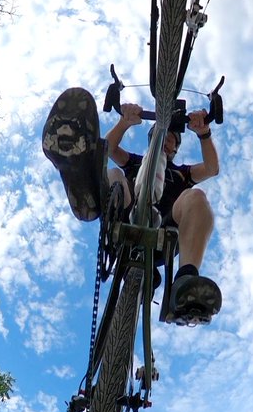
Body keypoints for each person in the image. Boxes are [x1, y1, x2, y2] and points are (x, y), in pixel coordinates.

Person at [42, 87, 222, 325]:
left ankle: (185, 282)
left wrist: (204, 133)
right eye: (162, 134)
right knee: (115, 174)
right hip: (125, 215)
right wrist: (125, 122)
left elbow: (211, 169)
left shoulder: (182, 173)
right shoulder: (135, 162)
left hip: (164, 234)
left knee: (197, 197)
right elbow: (110, 148)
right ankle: (87, 194)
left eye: (172, 137)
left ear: (176, 148)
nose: (166, 137)